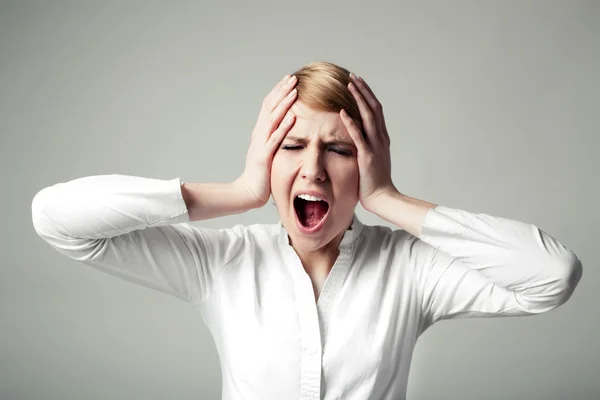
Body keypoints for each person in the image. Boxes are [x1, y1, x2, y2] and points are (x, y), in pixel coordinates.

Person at [31, 61, 583, 400]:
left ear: (364, 164)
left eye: (339, 149)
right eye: (292, 147)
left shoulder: (412, 269)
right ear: (269, 159)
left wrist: (389, 199)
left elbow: (552, 276)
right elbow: (58, 220)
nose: (313, 169)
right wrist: (239, 193)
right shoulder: (223, 263)